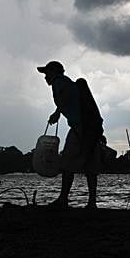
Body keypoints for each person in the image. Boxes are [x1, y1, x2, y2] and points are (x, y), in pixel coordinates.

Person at [37, 60, 104, 209]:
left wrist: (57, 113)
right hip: (92, 127)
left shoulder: (58, 82)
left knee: (67, 162)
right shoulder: (68, 83)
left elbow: (65, 97)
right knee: (90, 166)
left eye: (46, 73)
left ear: (53, 72)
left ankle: (63, 199)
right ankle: (92, 203)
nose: (45, 77)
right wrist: (58, 112)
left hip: (80, 128)